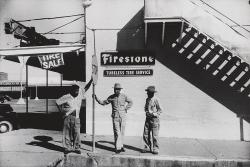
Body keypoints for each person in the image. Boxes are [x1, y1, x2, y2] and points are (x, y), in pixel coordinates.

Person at [56, 78, 92, 154]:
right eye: (75, 90)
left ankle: (77, 148)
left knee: (77, 133)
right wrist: (62, 111)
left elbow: (86, 87)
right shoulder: (67, 96)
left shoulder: (80, 95)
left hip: (76, 117)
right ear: (72, 90)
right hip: (67, 117)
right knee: (67, 133)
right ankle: (67, 148)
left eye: (78, 90)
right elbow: (57, 102)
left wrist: (91, 80)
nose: (77, 92)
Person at [94, 83, 133, 154]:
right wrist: (96, 99)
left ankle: (121, 146)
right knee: (117, 132)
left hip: (123, 116)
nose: (117, 91)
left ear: (120, 90)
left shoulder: (124, 96)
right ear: (114, 90)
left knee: (121, 132)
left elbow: (130, 102)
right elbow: (103, 102)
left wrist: (126, 109)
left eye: (118, 89)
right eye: (115, 89)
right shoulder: (111, 97)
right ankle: (117, 148)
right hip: (115, 117)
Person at [142, 86, 162, 154]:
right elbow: (145, 108)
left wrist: (153, 114)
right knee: (146, 133)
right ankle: (147, 147)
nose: (147, 93)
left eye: (148, 92)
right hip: (148, 119)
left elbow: (160, 110)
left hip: (154, 119)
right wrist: (147, 112)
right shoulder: (147, 99)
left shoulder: (156, 99)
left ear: (152, 93)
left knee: (155, 135)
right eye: (147, 92)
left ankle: (155, 148)